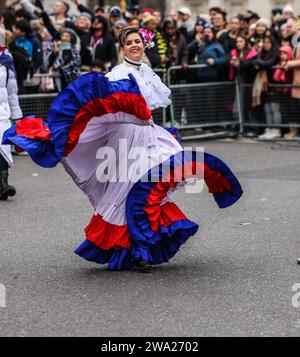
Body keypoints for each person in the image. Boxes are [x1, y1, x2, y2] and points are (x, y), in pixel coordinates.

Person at [2, 26, 243, 272]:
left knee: (151, 190)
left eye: (138, 41)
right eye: (129, 43)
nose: (134, 45)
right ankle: (139, 251)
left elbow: (151, 107)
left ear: (144, 44)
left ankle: (143, 248)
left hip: (150, 137)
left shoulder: (148, 72)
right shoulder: (117, 74)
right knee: (130, 192)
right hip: (126, 142)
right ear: (122, 47)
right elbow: (106, 109)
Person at [0, 28, 23, 200]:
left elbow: (12, 90)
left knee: (3, 145)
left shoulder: (6, 59)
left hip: (2, 111)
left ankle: (3, 184)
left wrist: (16, 115)